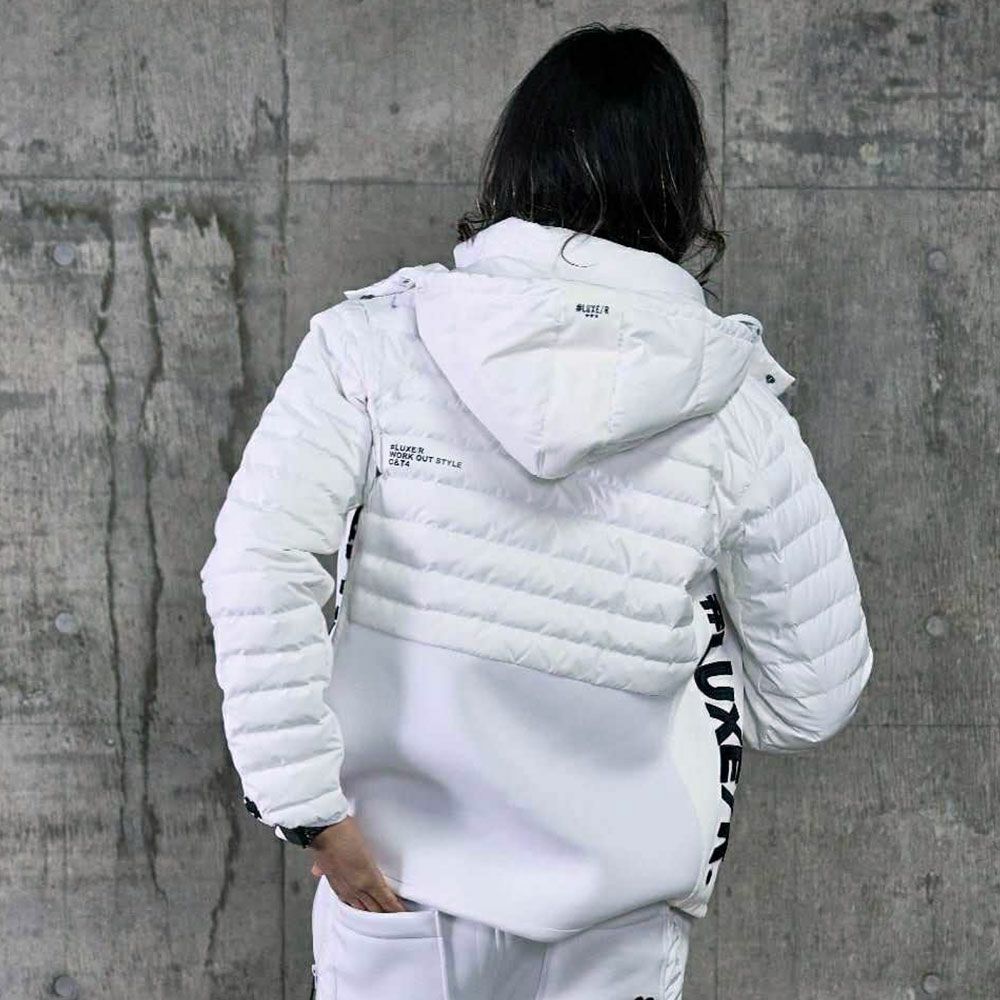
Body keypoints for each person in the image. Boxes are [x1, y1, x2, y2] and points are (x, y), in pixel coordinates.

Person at [200, 21, 874, 1000]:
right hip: (618, 913)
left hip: (396, 882)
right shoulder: (735, 408)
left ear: (516, 155)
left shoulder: (375, 342)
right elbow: (811, 694)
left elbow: (259, 570)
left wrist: (310, 808)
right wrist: (657, 661)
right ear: (678, 186)